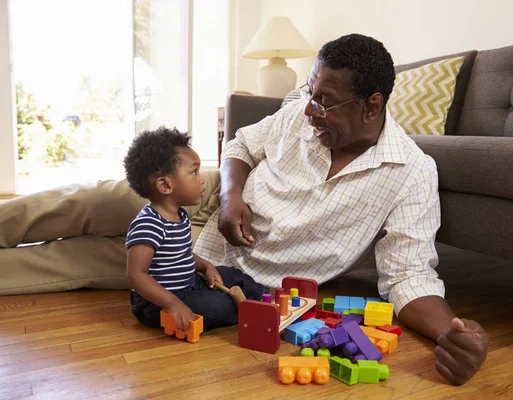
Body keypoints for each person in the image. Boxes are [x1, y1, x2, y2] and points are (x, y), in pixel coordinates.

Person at [0, 34, 487, 385]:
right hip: (204, 194)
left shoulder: (411, 172)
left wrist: (453, 335)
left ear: (371, 105)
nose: (309, 108)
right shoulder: (302, 108)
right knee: (86, 199)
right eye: (311, 93)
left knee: (68, 263)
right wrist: (232, 196)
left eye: (325, 102)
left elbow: (408, 276)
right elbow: (243, 144)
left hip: (202, 269)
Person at [123, 127, 266, 332]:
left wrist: (206, 266)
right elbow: (136, 276)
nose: (201, 180)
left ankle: (264, 300)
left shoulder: (179, 215)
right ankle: (245, 310)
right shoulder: (147, 225)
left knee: (232, 274)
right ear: (165, 185)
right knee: (218, 306)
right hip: (157, 303)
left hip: (189, 284)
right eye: (194, 172)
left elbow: (182, 254)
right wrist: (173, 303)